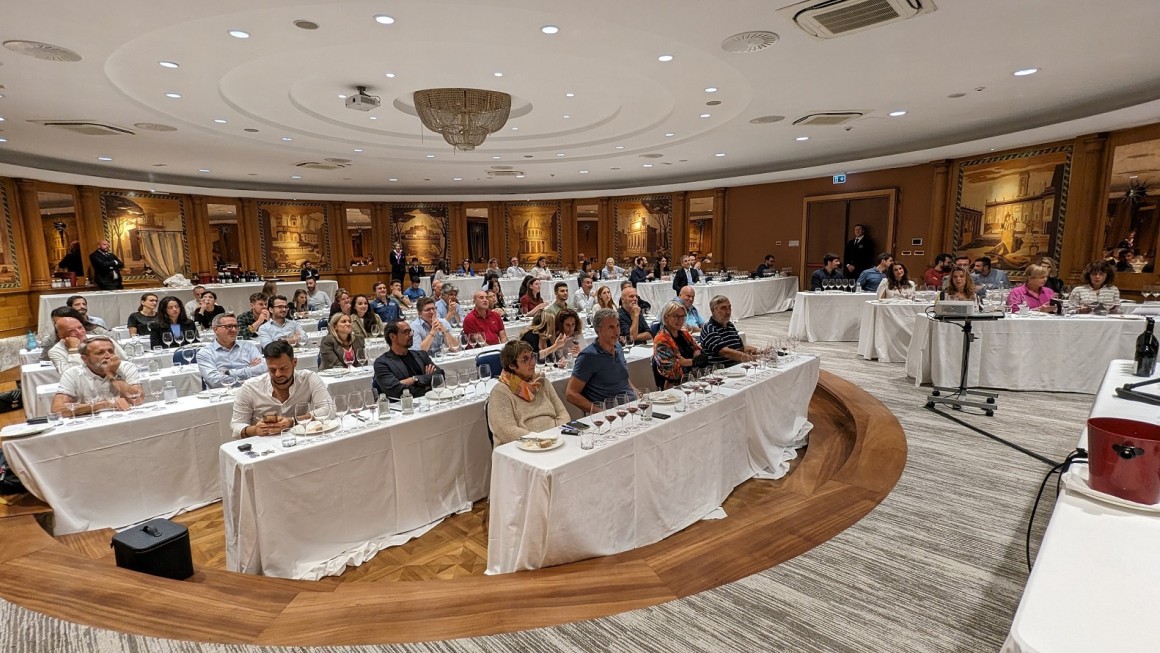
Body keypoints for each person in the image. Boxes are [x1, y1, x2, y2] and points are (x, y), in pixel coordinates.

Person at [230, 341, 333, 438]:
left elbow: (329, 409)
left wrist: (293, 421)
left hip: (300, 438)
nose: (278, 374)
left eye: (283, 368)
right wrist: (254, 430)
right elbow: (236, 426)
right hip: (264, 442)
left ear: (294, 362)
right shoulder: (250, 387)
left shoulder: (309, 378)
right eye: (272, 370)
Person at [486, 340, 571, 446]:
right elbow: (506, 431)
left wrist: (557, 435)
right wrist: (540, 440)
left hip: (554, 440)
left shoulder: (542, 383)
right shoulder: (500, 391)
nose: (533, 362)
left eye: (533, 356)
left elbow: (563, 414)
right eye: (526, 359)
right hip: (523, 446)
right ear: (512, 365)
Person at [51, 336, 143, 416]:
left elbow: (137, 400)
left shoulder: (126, 367)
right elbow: (57, 409)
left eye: (111, 351)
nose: (108, 356)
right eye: (100, 353)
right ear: (85, 359)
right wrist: (105, 405)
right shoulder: (72, 374)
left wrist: (112, 374)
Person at [566, 308, 636, 412]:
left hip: (632, 407)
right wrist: (600, 412)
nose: (617, 332)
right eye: (611, 327)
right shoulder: (588, 356)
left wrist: (638, 394)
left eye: (617, 326)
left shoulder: (618, 348)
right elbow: (571, 394)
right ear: (599, 330)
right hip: (612, 413)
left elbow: (623, 380)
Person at [372, 319, 444, 399]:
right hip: (402, 406)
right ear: (392, 337)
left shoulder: (421, 355)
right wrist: (426, 386)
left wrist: (413, 379)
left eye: (411, 331)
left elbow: (440, 375)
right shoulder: (382, 363)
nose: (411, 335)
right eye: (406, 332)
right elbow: (395, 390)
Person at [196, 313, 267, 389]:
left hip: (251, 390)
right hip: (222, 395)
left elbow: (263, 370)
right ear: (215, 329)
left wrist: (228, 373)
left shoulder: (249, 347)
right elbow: (215, 381)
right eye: (228, 326)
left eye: (236, 326)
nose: (234, 330)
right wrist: (249, 369)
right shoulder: (205, 353)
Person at [652, 301, 702, 389]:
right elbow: (673, 371)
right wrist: (694, 361)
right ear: (666, 318)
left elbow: (700, 352)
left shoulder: (684, 333)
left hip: (693, 380)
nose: (681, 320)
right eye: (676, 316)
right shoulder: (661, 339)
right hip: (673, 386)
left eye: (683, 316)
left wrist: (685, 362)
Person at [49, 317, 127, 373]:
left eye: (80, 327)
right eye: (71, 331)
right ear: (60, 335)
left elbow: (124, 360)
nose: (79, 332)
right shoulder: (55, 351)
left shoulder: (103, 339)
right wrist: (73, 350)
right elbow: (70, 374)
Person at [700, 295, 759, 368]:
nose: (728, 312)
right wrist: (749, 358)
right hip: (720, 371)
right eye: (723, 308)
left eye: (729, 307)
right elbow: (725, 352)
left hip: (737, 368)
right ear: (713, 310)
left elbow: (741, 348)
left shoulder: (730, 325)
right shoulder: (709, 328)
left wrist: (758, 350)